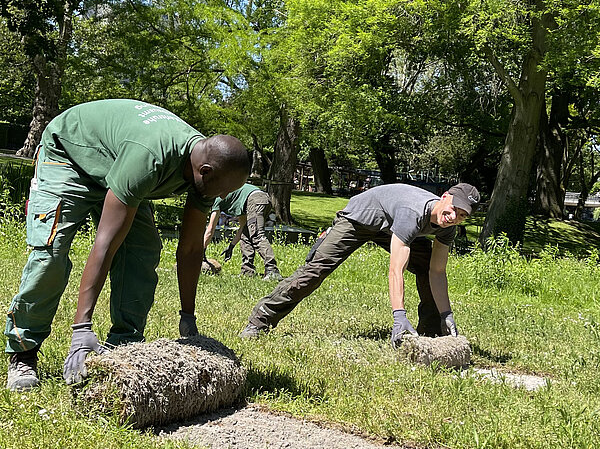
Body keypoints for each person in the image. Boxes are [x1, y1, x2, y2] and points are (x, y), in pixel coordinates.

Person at [5, 99, 250, 392]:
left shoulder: (206, 169)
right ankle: (23, 353)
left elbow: (191, 249)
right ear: (206, 171)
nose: (221, 196)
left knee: (141, 252)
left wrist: (188, 317)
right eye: (222, 190)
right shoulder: (151, 157)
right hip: (70, 154)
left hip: (117, 162)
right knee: (51, 253)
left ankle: (123, 346)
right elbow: (106, 243)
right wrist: (81, 329)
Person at [240, 182, 480, 343]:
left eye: (462, 215)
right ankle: (260, 320)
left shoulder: (448, 229)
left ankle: (430, 332)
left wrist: (445, 314)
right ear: (445, 197)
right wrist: (398, 315)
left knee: (427, 264)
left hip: (390, 225)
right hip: (360, 217)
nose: (454, 217)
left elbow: (437, 272)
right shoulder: (413, 213)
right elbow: (396, 269)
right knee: (315, 271)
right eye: (454, 208)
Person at [204, 183, 282, 281]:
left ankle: (272, 271)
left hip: (255, 200)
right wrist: (231, 246)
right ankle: (247, 272)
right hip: (262, 199)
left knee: (257, 235)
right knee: (246, 236)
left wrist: (201, 251)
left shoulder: (217, 199)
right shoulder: (237, 198)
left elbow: (210, 230)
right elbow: (242, 228)